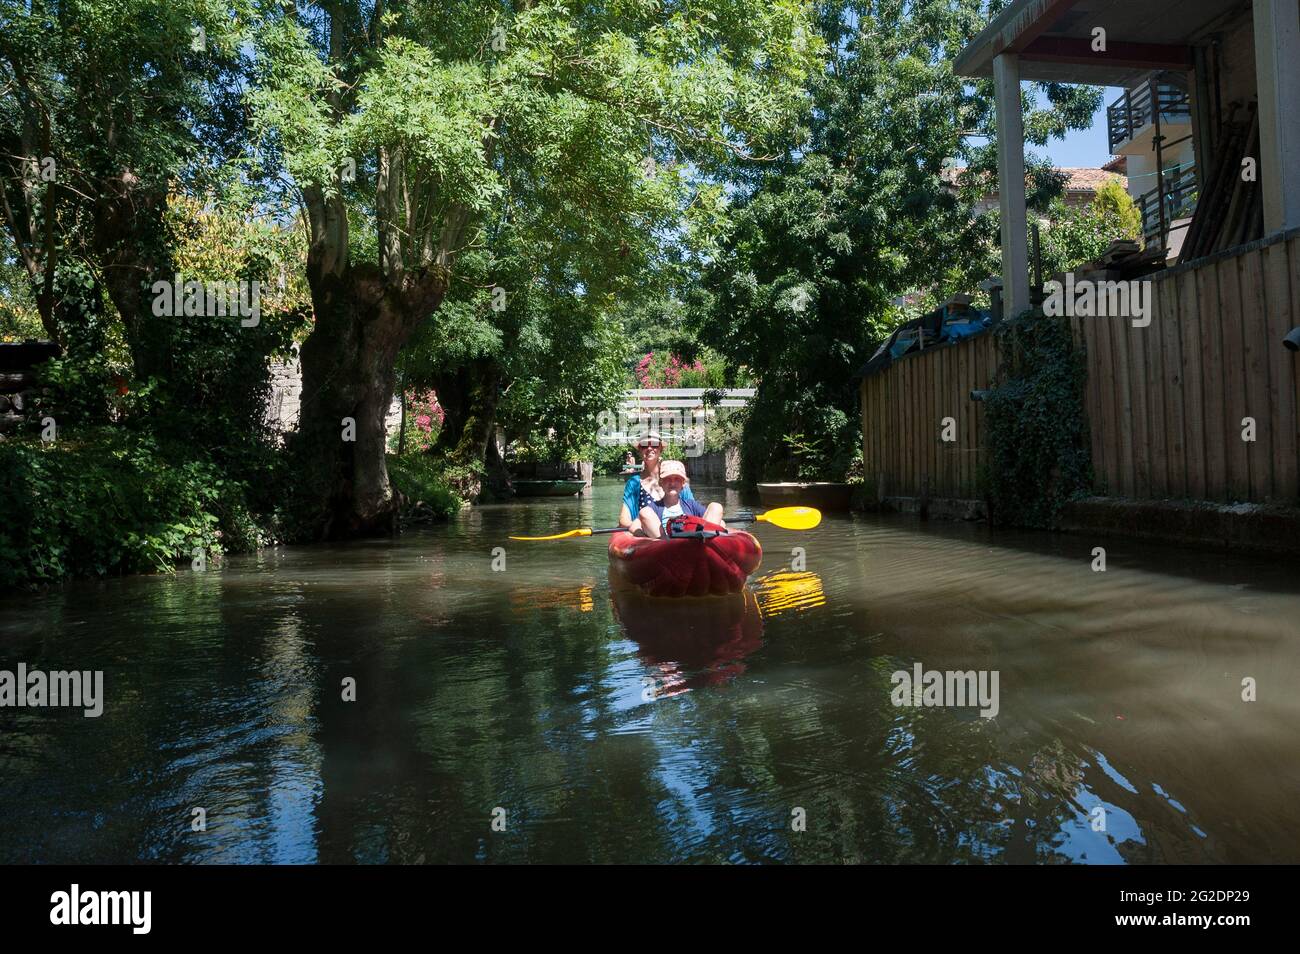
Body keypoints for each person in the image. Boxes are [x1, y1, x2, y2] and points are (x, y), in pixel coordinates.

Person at [619, 431, 698, 529]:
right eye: (644, 445)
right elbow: (624, 520)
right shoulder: (634, 483)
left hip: (678, 532)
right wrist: (638, 530)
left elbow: (693, 510)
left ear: (660, 448)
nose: (649, 448)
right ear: (640, 450)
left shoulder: (676, 477)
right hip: (647, 536)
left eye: (654, 444)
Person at [635, 460, 726, 539]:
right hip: (665, 548)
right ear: (661, 483)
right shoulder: (653, 508)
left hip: (694, 545)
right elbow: (634, 526)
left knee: (716, 507)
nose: (672, 483)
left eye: (677, 479)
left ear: (683, 484)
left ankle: (704, 545)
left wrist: (720, 528)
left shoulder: (691, 505)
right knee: (644, 512)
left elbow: (720, 522)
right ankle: (667, 545)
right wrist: (645, 538)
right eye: (668, 479)